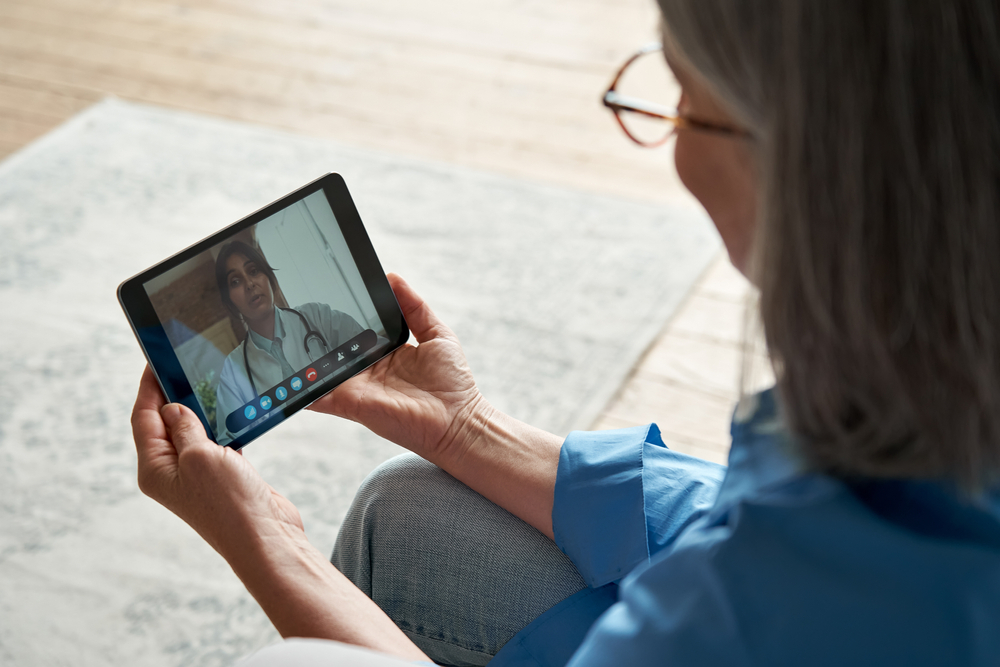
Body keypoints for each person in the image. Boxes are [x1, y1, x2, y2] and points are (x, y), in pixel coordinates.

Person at [131, 2, 1000, 666]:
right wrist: (465, 427)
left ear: (806, 155)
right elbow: (735, 508)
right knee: (404, 507)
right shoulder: (927, 404)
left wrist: (266, 541)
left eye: (684, 102)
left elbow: (774, 561)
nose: (672, 147)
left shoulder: (791, 592)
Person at [212, 240, 364, 444]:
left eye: (254, 270)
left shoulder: (317, 316)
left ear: (268, 276)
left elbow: (375, 351)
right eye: (235, 282)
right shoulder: (233, 371)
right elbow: (229, 443)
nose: (249, 284)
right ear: (230, 300)